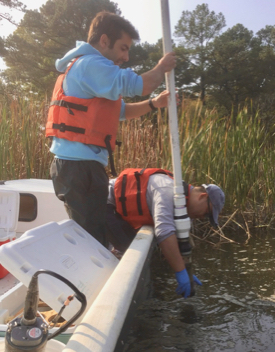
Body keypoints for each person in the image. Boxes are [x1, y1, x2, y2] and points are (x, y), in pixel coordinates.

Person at [46, 11, 176, 247]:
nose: (126, 56)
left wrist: (153, 104)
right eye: (123, 48)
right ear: (104, 41)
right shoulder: (92, 64)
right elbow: (140, 84)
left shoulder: (90, 68)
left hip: (80, 166)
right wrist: (161, 67)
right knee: (90, 238)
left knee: (94, 232)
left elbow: (120, 111)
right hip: (78, 168)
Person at [106, 168, 225, 298]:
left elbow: (180, 242)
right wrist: (180, 271)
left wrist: (187, 270)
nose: (203, 217)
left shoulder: (182, 208)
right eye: (207, 213)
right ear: (203, 197)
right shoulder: (167, 190)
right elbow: (164, 233)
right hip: (104, 202)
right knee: (127, 250)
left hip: (118, 213)